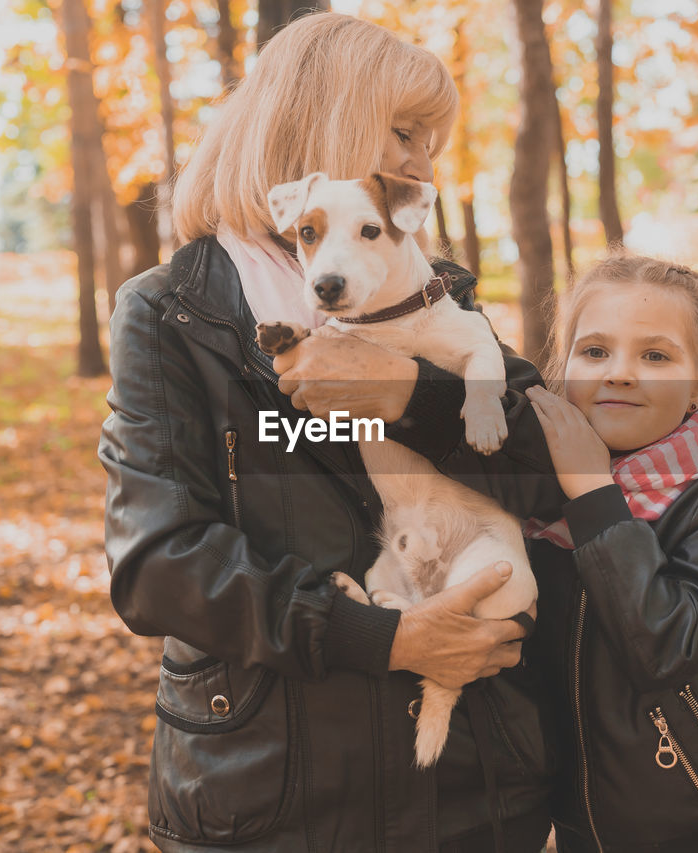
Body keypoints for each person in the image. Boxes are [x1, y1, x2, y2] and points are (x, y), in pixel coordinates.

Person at [98, 12, 563, 853]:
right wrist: (382, 638)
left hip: (471, 792)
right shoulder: (171, 313)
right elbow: (158, 565)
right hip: (278, 801)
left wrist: (412, 392)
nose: (426, 164)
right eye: (405, 133)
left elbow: (552, 470)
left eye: (432, 141)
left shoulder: (431, 294)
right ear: (322, 120)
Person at [521, 254, 698, 853]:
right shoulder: (534, 504)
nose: (620, 373)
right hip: (586, 836)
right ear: (563, 367)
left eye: (655, 356)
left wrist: (596, 495)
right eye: (595, 351)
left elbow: (666, 644)